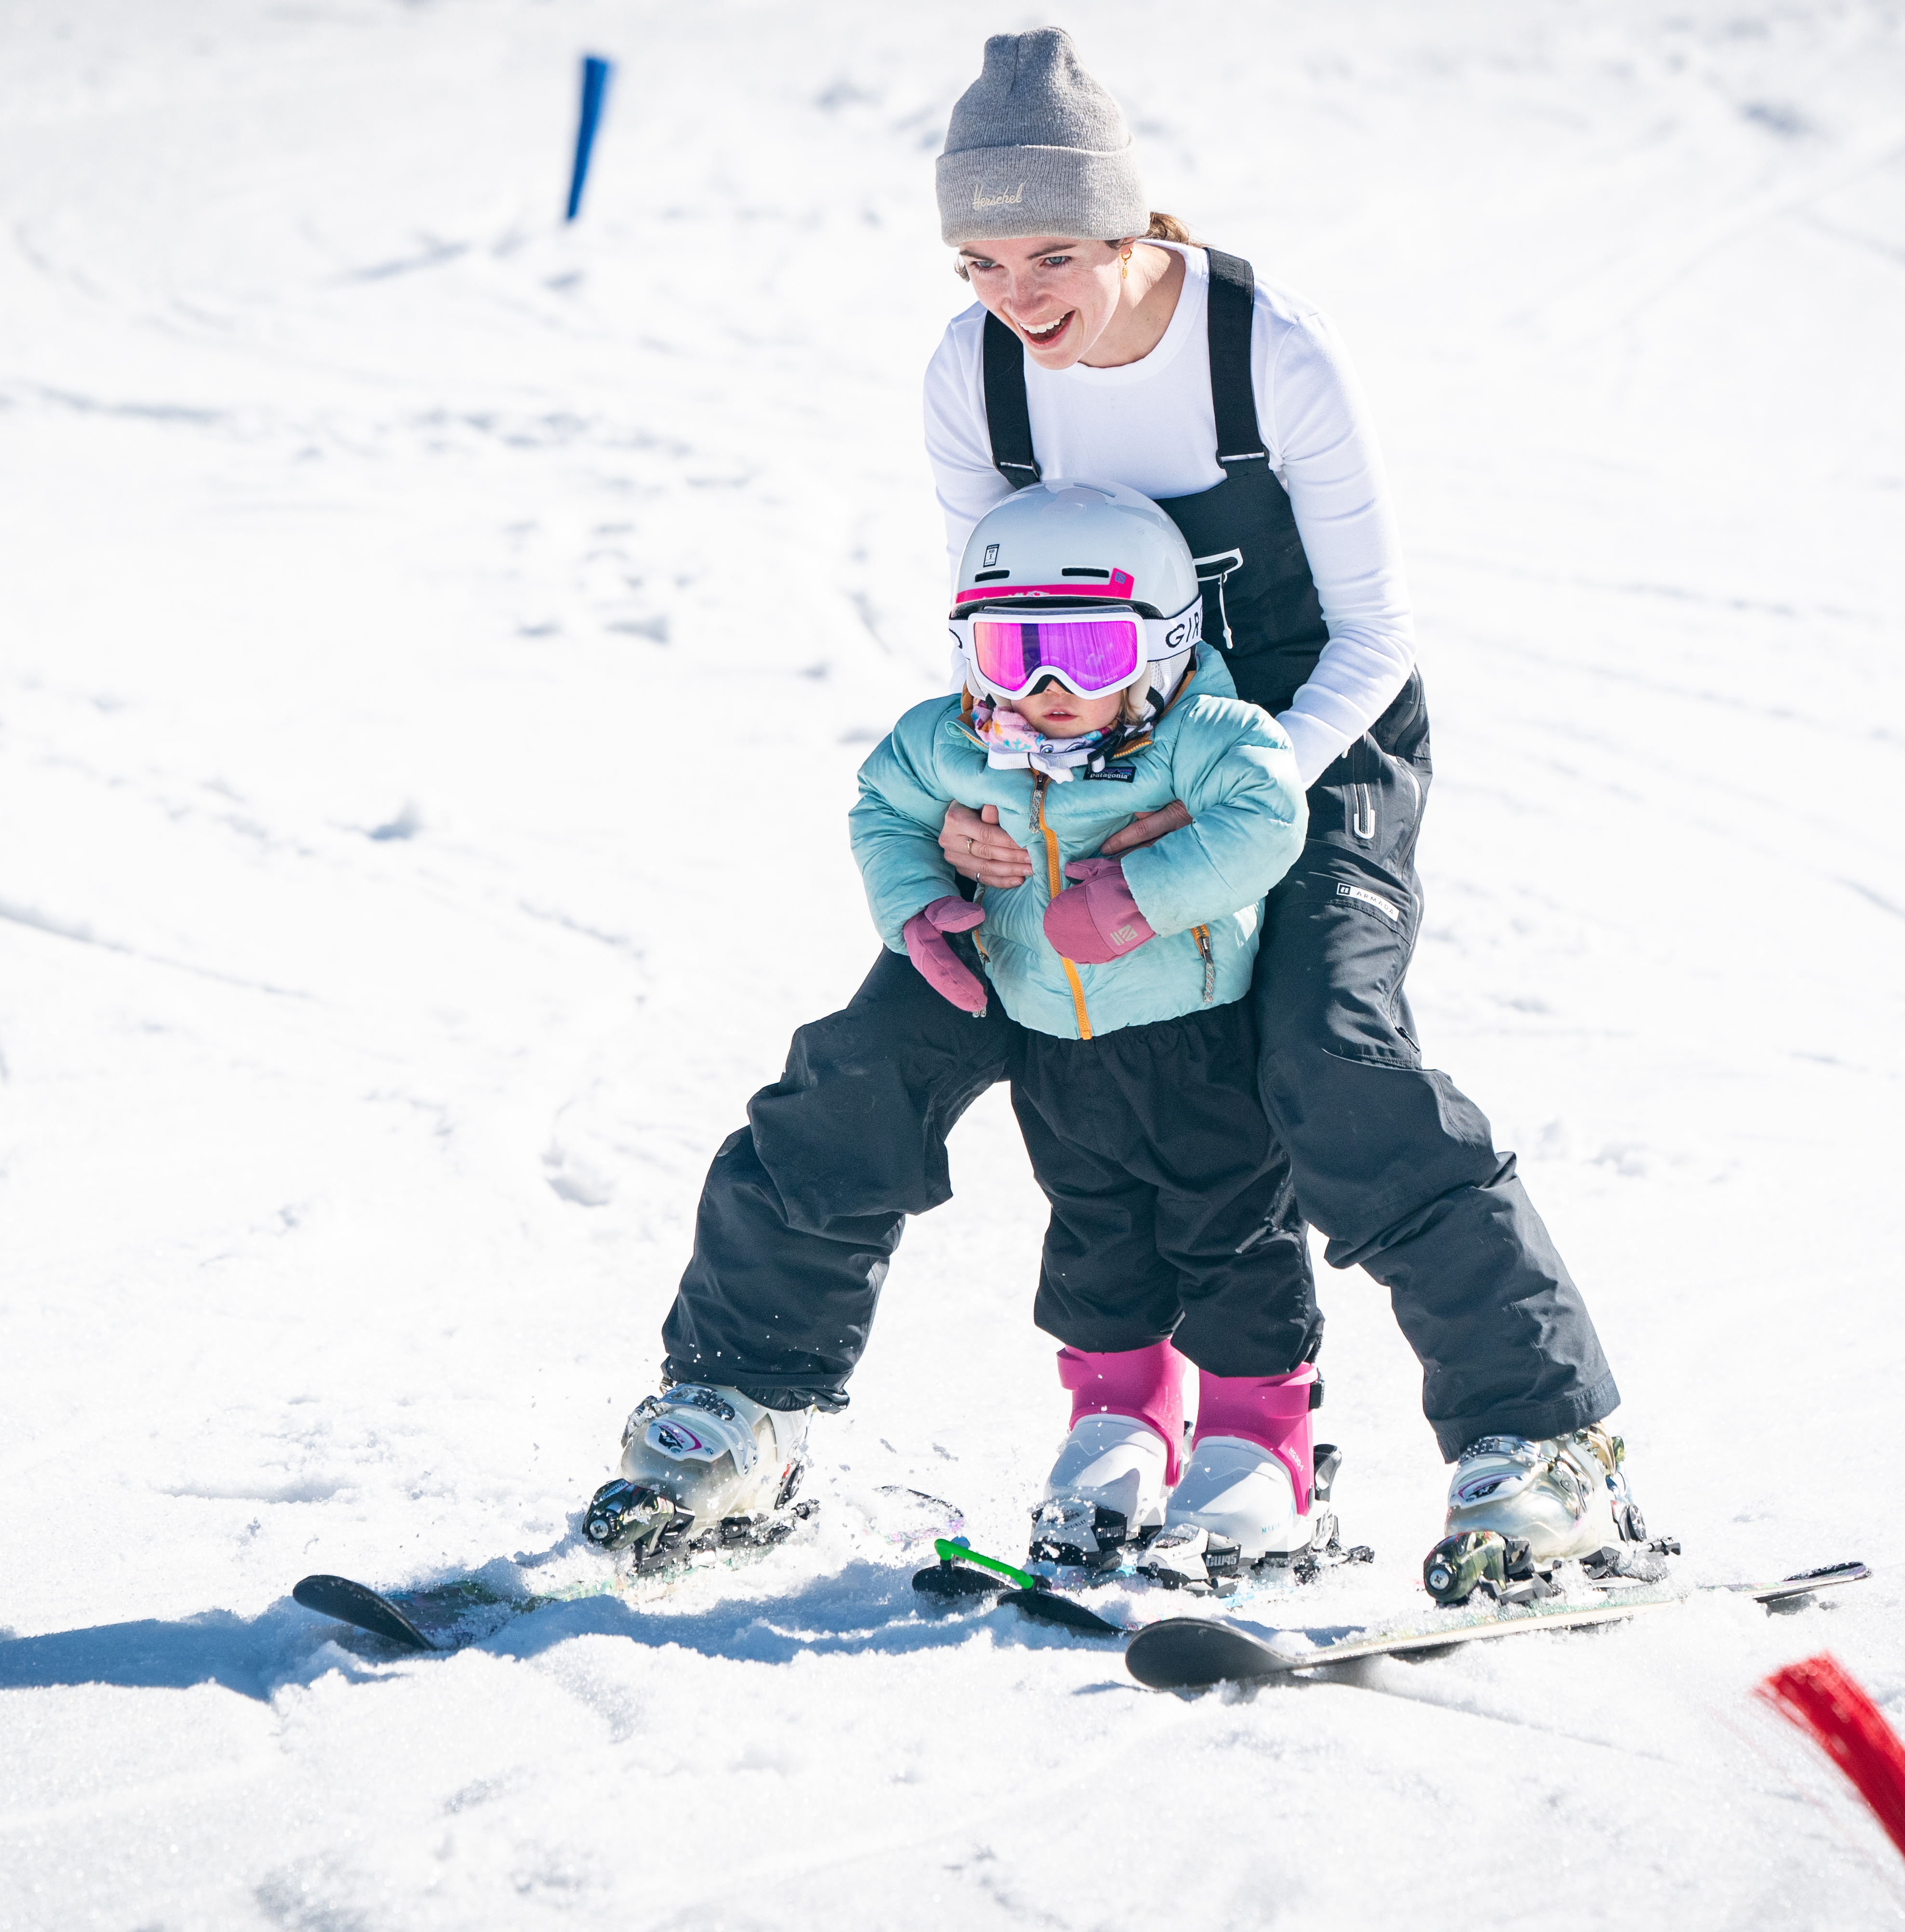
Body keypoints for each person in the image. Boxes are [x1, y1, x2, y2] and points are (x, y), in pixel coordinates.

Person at [604, 28, 1642, 1576]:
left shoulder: (1263, 348)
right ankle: (734, 1419)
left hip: (1309, 740)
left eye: (1050, 252)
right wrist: (974, 820)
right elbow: (996, 615)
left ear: (1132, 226)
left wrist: (1224, 806)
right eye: (977, 261)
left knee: (1331, 1060)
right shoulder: (974, 372)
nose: (1015, 297)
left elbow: (1375, 631)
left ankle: (1546, 1447)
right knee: (879, 1054)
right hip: (1070, 749)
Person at [593, 480, 1344, 1579]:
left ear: (1164, 648)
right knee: (1093, 1237)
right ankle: (1118, 1422)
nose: (1040, 689)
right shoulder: (952, 743)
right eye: (1008, 652)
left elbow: (1269, 812)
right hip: (1053, 1042)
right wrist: (915, 904)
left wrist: (1141, 893)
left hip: (1195, 1044)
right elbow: (882, 804)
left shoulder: (1204, 736)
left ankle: (1256, 1445)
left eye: (1082, 656)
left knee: (1231, 1236)